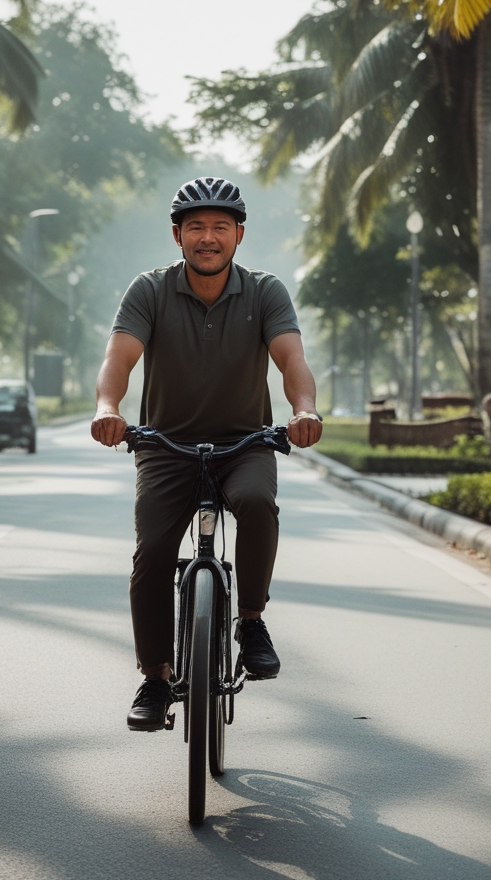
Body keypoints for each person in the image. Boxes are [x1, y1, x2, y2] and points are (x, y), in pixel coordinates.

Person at [90, 176, 323, 731]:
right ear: (178, 236)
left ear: (239, 235)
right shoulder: (149, 289)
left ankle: (250, 621)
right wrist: (107, 406)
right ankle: (155, 676)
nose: (208, 237)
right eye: (196, 227)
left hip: (245, 443)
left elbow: (291, 360)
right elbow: (119, 359)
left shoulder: (265, 292)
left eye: (220, 226)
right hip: (165, 446)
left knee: (257, 504)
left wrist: (304, 410)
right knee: (151, 553)